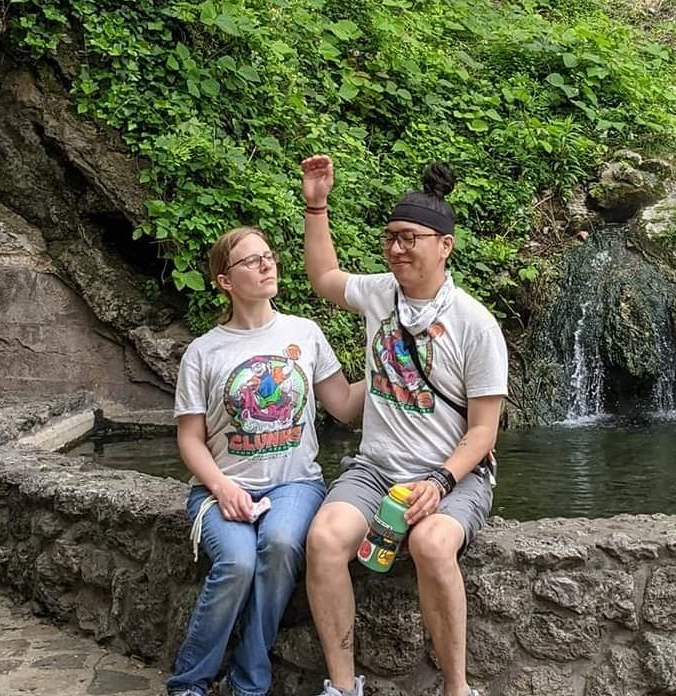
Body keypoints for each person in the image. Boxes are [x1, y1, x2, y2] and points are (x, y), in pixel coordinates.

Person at [300, 156, 507, 696]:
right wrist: (316, 204)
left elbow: (484, 432)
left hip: (454, 475)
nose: (396, 248)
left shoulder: (475, 325)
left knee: (434, 545)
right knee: (323, 539)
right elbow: (323, 276)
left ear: (444, 245)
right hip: (375, 470)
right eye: (391, 237)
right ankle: (343, 688)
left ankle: (456, 688)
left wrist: (439, 481)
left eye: (410, 237)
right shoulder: (379, 294)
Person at [166, 226, 363, 696]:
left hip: (295, 483)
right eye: (251, 261)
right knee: (236, 563)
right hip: (221, 485)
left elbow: (344, 406)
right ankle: (189, 682)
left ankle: (249, 682)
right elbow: (190, 439)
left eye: (269, 256)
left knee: (278, 547)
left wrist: (389, 364)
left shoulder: (304, 333)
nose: (266, 264)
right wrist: (222, 488)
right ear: (225, 281)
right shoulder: (203, 351)